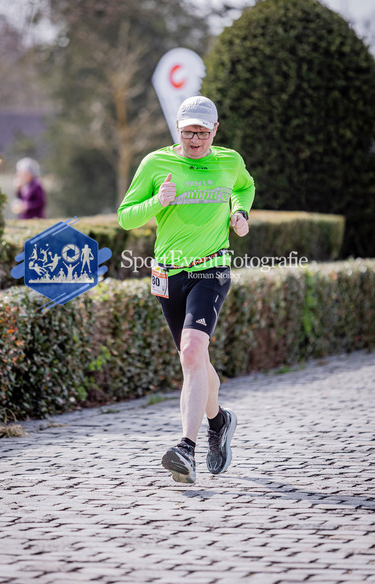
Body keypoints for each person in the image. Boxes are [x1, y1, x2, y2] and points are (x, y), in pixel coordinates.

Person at [118, 95, 255, 484]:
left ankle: (186, 449)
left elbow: (245, 186)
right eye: (188, 132)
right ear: (177, 129)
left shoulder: (229, 161)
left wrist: (240, 212)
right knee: (195, 360)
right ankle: (219, 420)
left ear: (215, 130)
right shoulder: (155, 163)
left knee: (193, 351)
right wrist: (155, 202)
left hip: (211, 268)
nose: (195, 140)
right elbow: (125, 216)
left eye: (202, 133)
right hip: (168, 274)